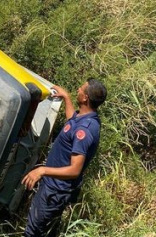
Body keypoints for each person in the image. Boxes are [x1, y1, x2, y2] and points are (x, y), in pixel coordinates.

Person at [22, 78, 107, 237]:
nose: (78, 90)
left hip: (55, 191)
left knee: (33, 231)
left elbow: (75, 170)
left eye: (81, 89)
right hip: (53, 186)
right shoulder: (85, 118)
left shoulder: (85, 131)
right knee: (45, 230)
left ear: (85, 98)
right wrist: (66, 97)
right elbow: (71, 123)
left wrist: (42, 170)